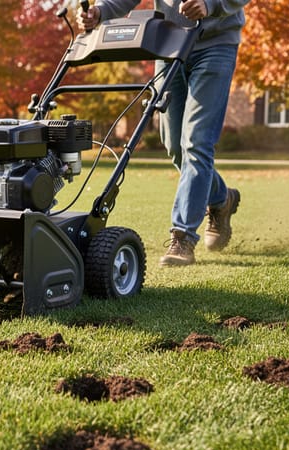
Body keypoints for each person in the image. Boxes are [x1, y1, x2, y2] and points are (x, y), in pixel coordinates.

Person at [82, 0, 248, 266]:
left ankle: (183, 237)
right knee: (174, 144)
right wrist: (101, 11)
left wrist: (210, 3)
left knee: (196, 142)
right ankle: (220, 197)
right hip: (169, 43)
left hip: (216, 44)